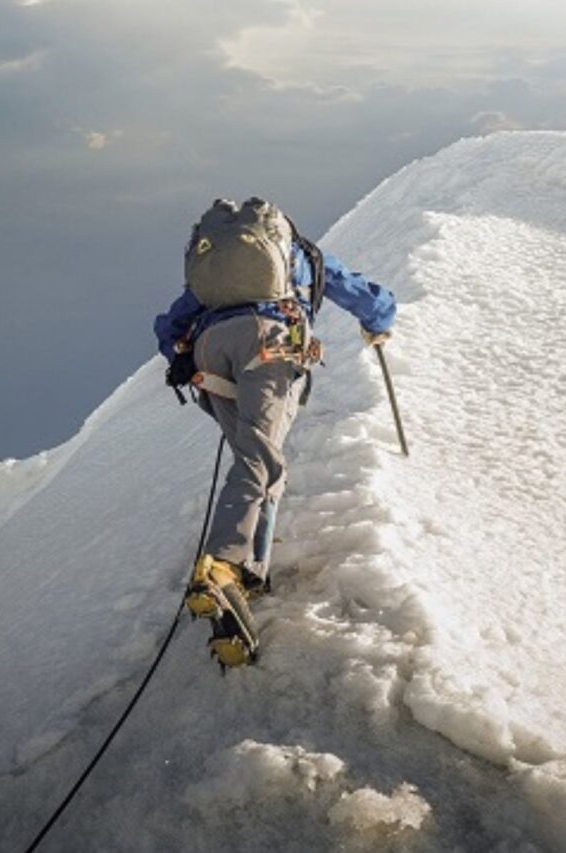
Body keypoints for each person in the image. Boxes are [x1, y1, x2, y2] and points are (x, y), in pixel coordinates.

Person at [154, 198, 396, 669]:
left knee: (258, 459)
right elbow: (363, 295)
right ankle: (223, 563)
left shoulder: (212, 274)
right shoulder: (300, 256)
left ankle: (249, 573)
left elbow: (170, 323)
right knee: (258, 460)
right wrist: (379, 325)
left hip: (209, 356)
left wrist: (179, 354)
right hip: (269, 342)